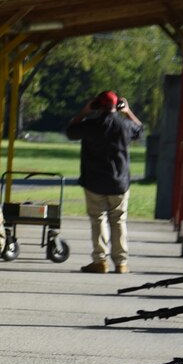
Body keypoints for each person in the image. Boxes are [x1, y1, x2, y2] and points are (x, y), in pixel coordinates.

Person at [65, 90, 145, 274]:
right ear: (116, 106)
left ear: (98, 106)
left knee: (98, 219)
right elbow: (140, 130)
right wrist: (127, 112)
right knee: (118, 220)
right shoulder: (125, 125)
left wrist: (84, 111)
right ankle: (121, 262)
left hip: (94, 181)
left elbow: (70, 131)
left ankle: (100, 260)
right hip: (119, 182)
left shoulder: (90, 125)